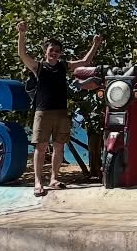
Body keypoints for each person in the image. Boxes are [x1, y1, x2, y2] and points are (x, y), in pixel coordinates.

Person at [17, 20, 102, 197]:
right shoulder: (38, 67)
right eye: (51, 50)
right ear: (45, 51)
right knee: (40, 148)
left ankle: (54, 179)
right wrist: (22, 34)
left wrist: (95, 44)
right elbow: (22, 54)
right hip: (42, 112)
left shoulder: (64, 66)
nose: (54, 53)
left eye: (57, 51)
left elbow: (85, 61)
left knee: (59, 147)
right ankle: (38, 182)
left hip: (61, 112)